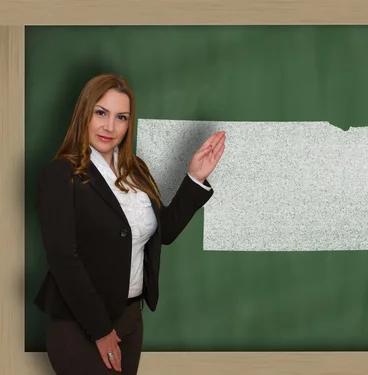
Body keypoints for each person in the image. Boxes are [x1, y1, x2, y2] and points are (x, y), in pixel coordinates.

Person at [34, 73, 225, 375]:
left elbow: (164, 231)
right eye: (101, 113)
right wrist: (100, 330)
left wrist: (195, 178)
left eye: (121, 117)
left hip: (130, 321)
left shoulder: (135, 171)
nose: (110, 126)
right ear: (84, 113)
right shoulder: (61, 174)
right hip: (81, 325)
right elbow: (63, 259)